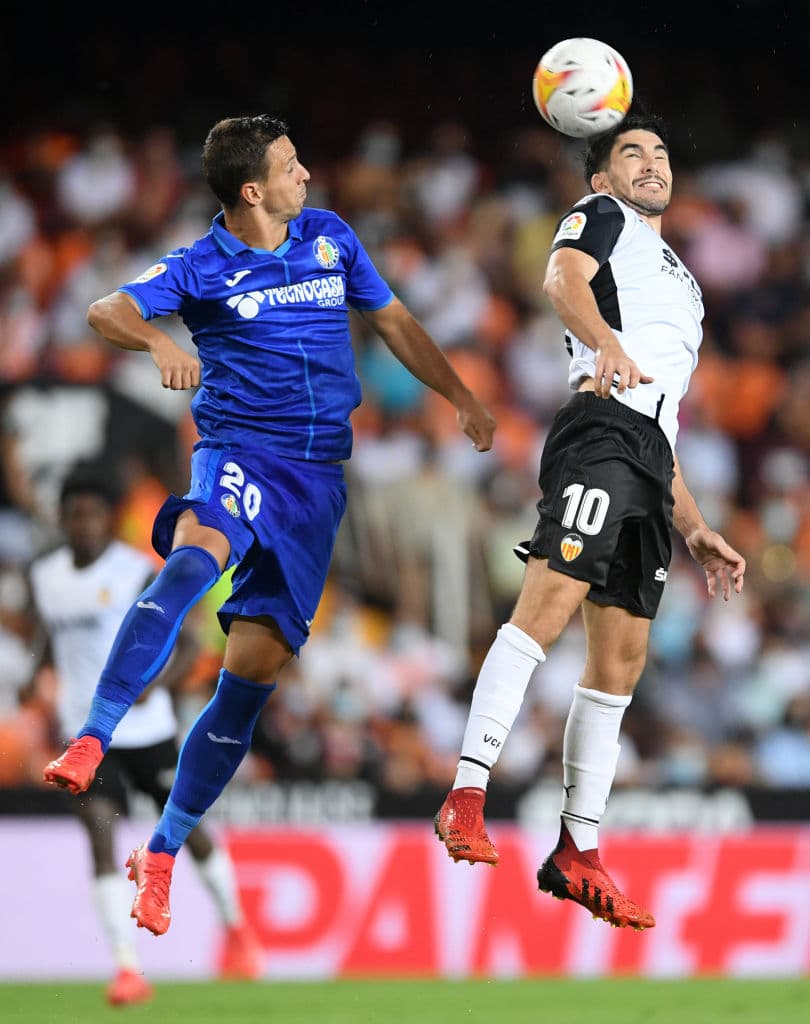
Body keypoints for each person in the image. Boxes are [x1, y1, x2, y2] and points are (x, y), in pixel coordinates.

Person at [44, 115, 496, 937]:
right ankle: (91, 738)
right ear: (252, 191)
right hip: (242, 453)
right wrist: (153, 341)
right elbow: (106, 310)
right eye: (292, 168)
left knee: (248, 681)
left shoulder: (329, 240)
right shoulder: (200, 264)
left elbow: (392, 322)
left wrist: (459, 395)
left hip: (317, 487)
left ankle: (164, 852)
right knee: (191, 561)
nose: (308, 178)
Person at [435, 114, 746, 930]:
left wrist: (696, 525)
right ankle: (468, 792)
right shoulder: (600, 216)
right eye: (631, 153)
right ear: (601, 176)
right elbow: (560, 282)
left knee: (621, 661)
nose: (651, 162)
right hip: (600, 428)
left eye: (661, 151)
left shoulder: (686, 283)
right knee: (547, 607)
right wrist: (602, 340)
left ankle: (579, 848)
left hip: (646, 447)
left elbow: (661, 412)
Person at [31, 466, 264, 1004]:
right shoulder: (47, 577)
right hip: (85, 737)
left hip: (151, 731)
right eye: (74, 514)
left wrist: (155, 685)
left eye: (92, 512)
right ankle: (127, 969)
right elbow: (52, 636)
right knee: (98, 832)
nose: (83, 523)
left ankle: (238, 931)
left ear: (109, 518)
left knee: (191, 833)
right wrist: (31, 678)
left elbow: (187, 644)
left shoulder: (137, 570)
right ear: (64, 520)